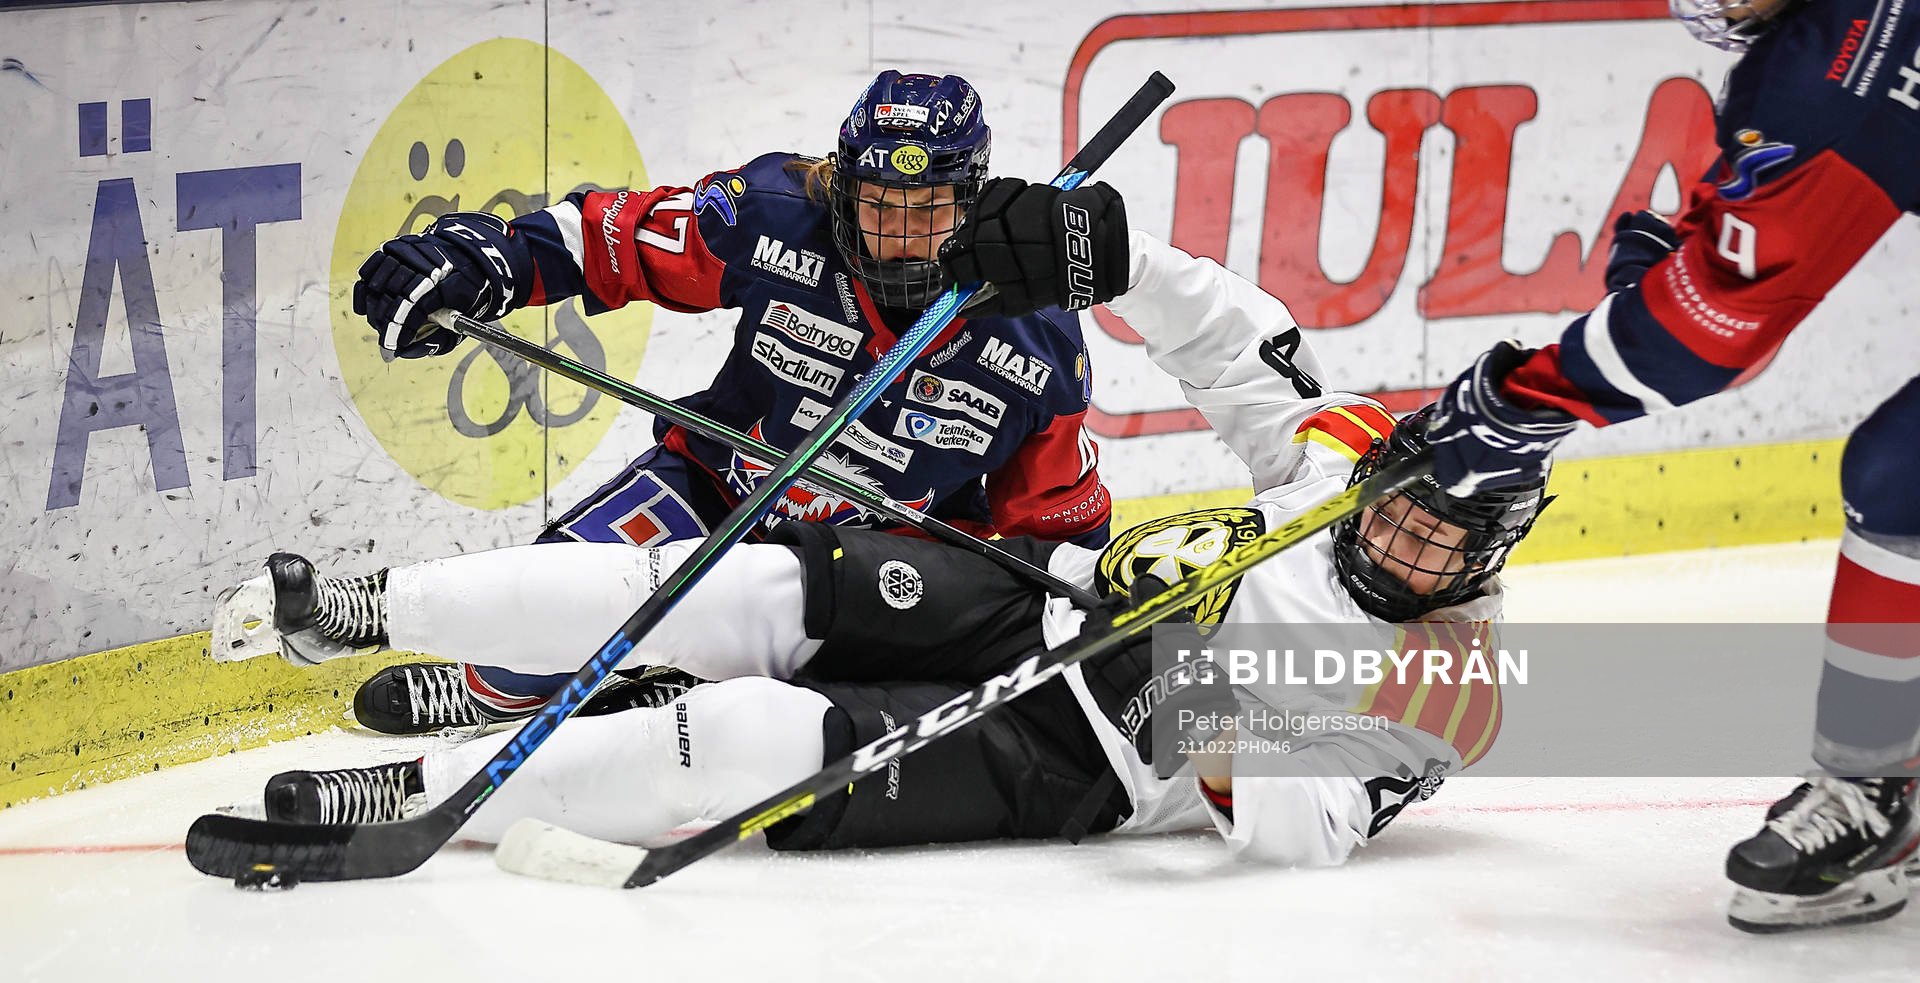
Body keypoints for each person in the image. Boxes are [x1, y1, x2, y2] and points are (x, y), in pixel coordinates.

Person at [212, 193, 1549, 868]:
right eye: (1412, 513)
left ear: (1495, 557)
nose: (1415, 551)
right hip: (1045, 602)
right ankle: (362, 607)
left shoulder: (1456, 691)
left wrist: (1205, 723)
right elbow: (1224, 336)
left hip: (1080, 755)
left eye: (1450, 548)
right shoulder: (1343, 461)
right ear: (1398, 469)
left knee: (739, 739)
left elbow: (1313, 829)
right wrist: (1110, 252)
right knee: (722, 590)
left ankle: (418, 802)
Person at [336, 70, 1116, 735]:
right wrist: (488, 259)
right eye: (879, 206)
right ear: (845, 192)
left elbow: (1058, 521)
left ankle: (706, 680)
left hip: (872, 567)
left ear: (972, 203)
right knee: (524, 649)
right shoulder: (772, 213)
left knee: (770, 719)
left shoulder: (1036, 339)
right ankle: (498, 692)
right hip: (718, 485)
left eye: (929, 209)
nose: (900, 236)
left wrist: (1088, 612)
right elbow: (619, 241)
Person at [1417, 0, 1920, 930]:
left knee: (1905, 481)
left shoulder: (1829, 72)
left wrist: (1521, 399)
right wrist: (1702, 237)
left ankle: (1874, 792)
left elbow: (1710, 335)